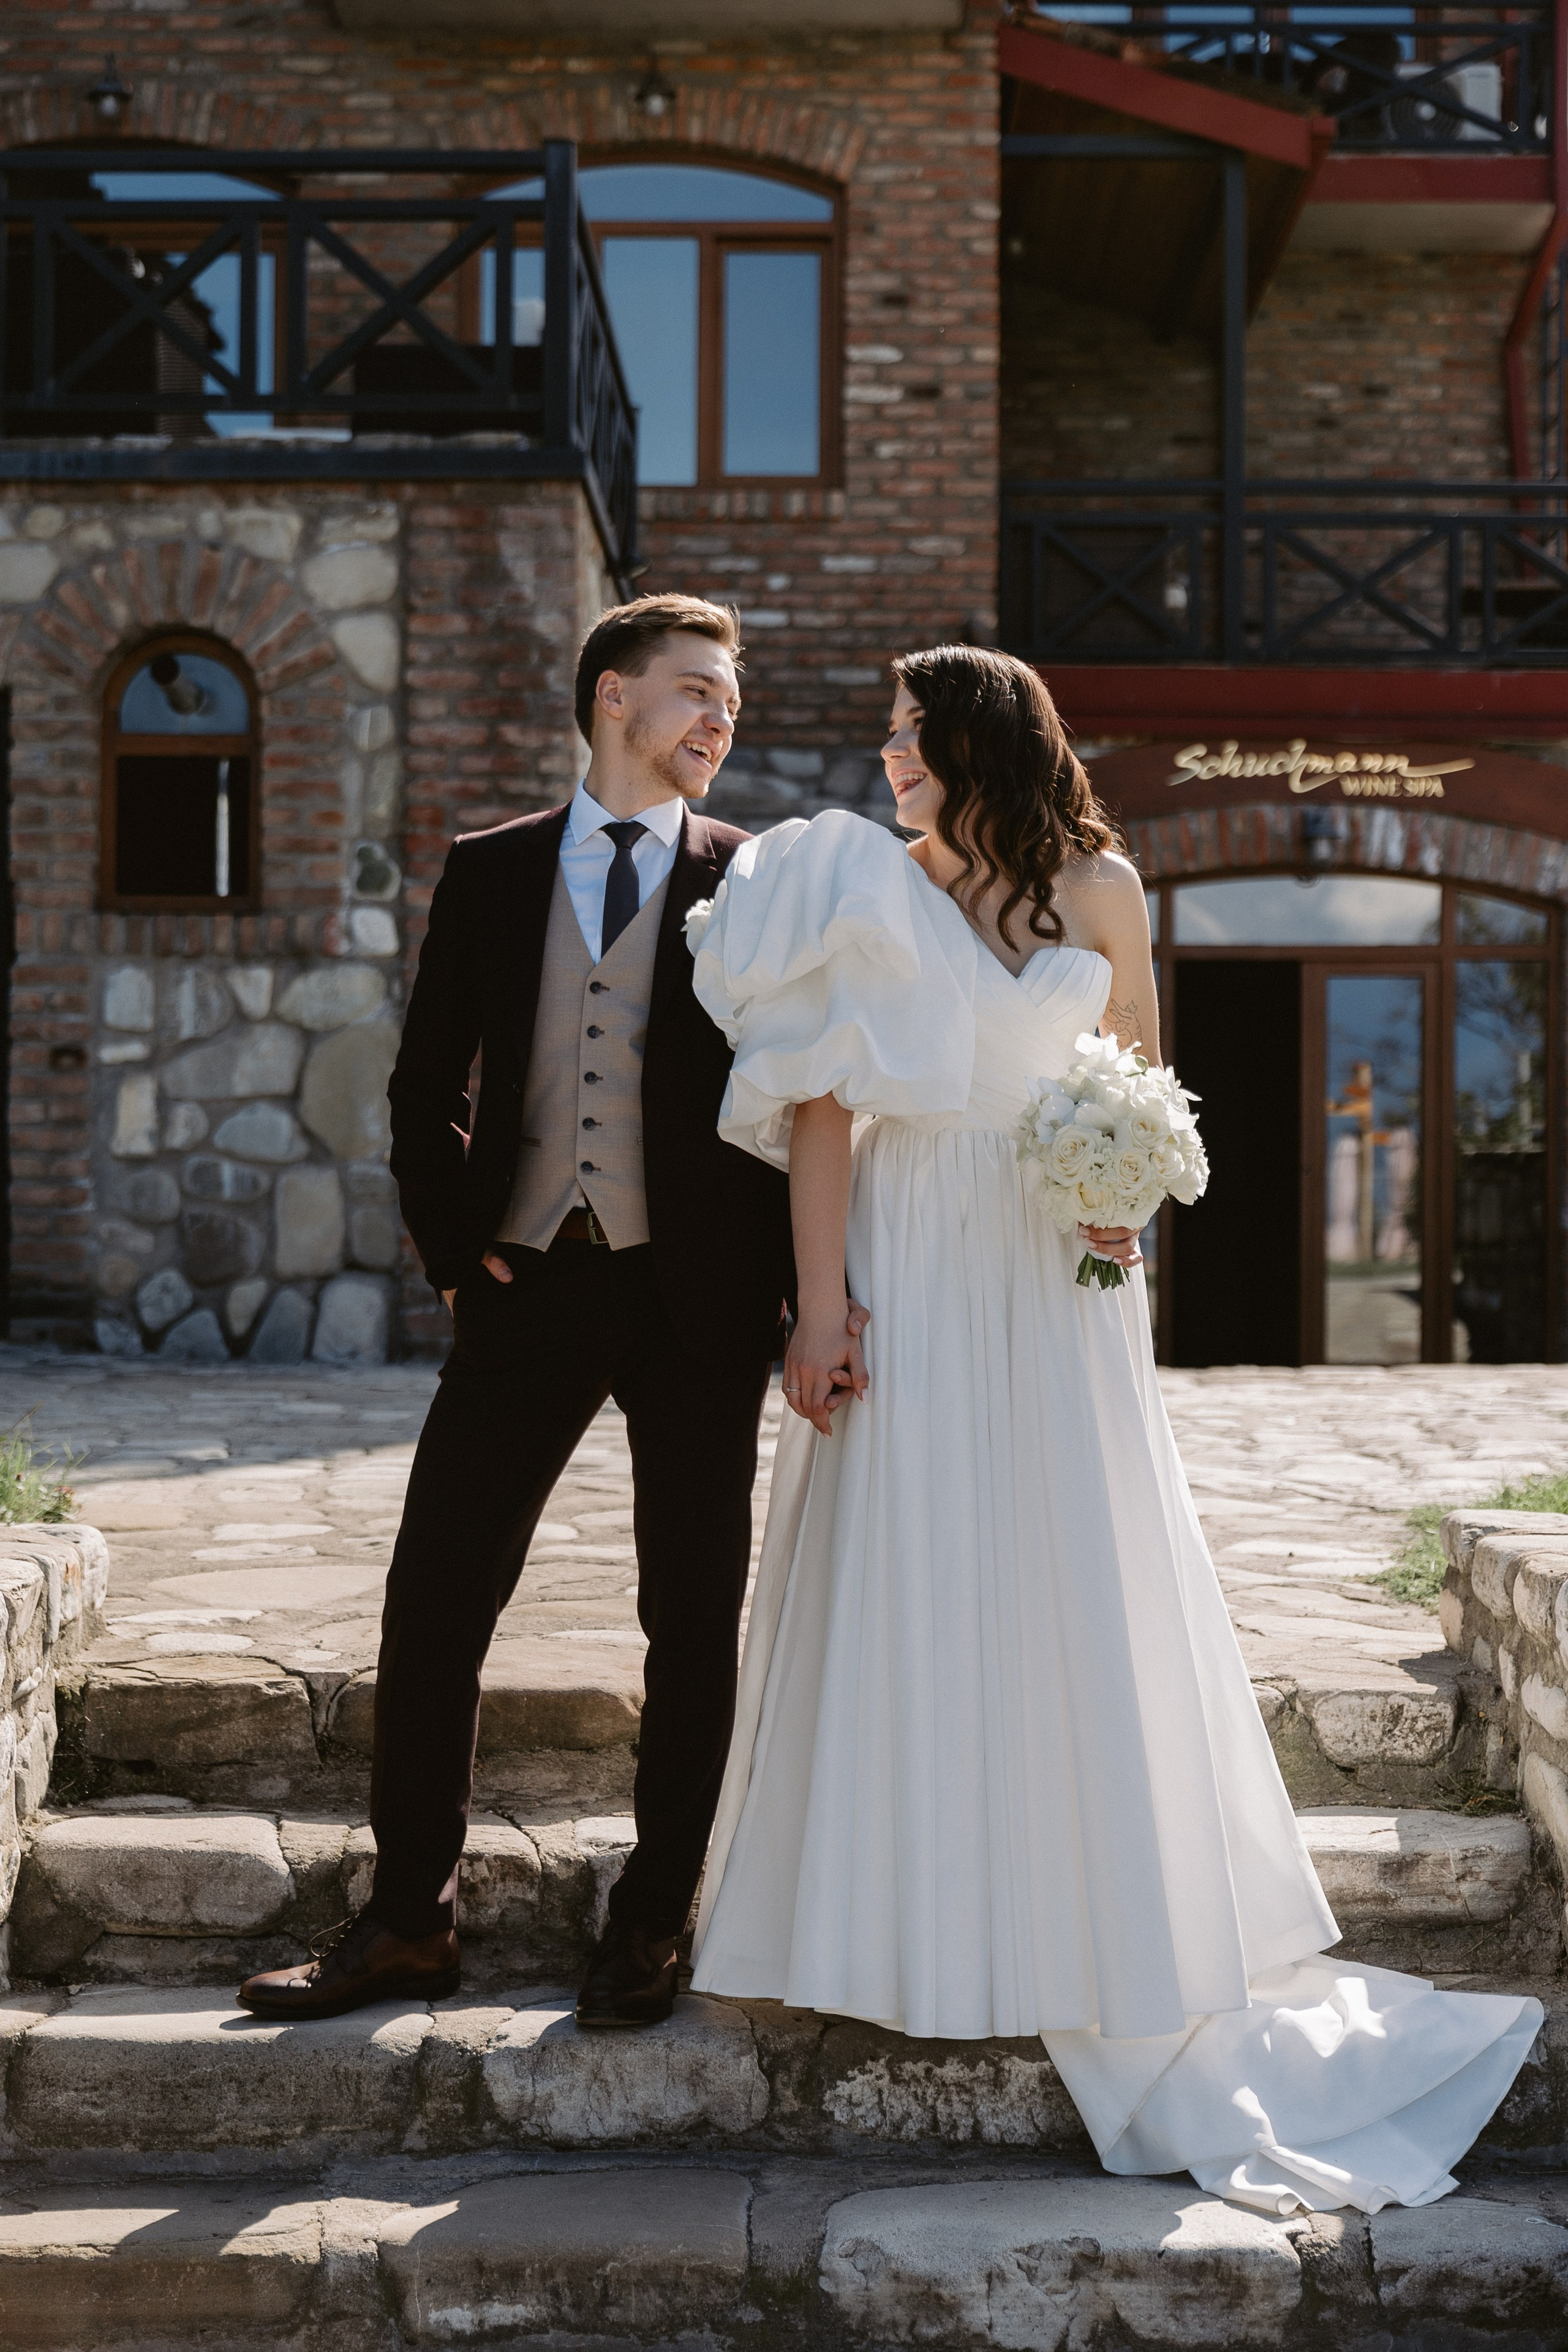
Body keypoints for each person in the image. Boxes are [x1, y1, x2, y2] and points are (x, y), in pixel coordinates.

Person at [685, 643, 1541, 2215]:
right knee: (907, 1564)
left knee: (1068, 1571)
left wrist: (1117, 1191)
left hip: (1052, 1275)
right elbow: (818, 1112)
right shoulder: (862, 893)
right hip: (907, 1260)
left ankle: (1087, 1906)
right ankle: (887, 1922)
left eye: (909, 737)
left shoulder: (1100, 893)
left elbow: (1136, 1081)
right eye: (884, 739)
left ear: (981, 740)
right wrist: (819, 1308)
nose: (888, 762)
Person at [238, 594, 799, 2028]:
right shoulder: (488, 872)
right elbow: (423, 1088)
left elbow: (795, 1103)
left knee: (691, 1617)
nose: (719, 719)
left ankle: (651, 1922)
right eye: (694, 691)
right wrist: (449, 1250)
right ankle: (408, 1919)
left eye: (730, 701)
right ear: (612, 696)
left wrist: (794, 1297)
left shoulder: (753, 880)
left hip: (698, 1301)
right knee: (434, 1599)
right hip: (529, 1280)